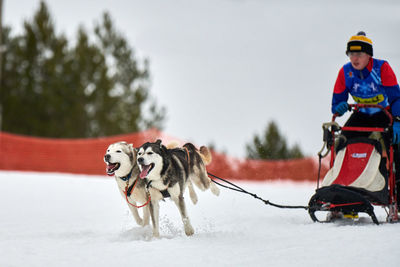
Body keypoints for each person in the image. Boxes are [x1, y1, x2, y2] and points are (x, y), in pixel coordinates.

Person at [331, 31, 400, 209]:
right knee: (342, 145)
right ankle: (344, 195)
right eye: (351, 54)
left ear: (369, 55)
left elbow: (396, 98)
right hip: (361, 114)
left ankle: (397, 199)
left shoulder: (382, 68)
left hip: (384, 113)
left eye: (359, 54)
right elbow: (337, 101)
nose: (355, 58)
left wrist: (398, 120)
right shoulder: (345, 72)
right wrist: (339, 106)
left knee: (396, 149)